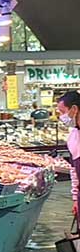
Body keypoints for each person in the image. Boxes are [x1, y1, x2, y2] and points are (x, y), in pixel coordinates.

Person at [56, 92, 80, 220]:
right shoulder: (73, 137)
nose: (61, 117)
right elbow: (74, 170)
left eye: (62, 112)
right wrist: (76, 199)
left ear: (74, 109)